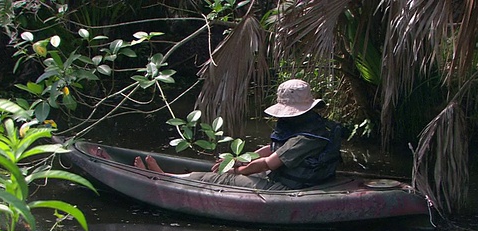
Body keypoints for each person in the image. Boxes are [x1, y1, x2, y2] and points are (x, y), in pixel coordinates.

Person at [135, 79, 342, 190]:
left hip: (293, 186)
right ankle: (173, 176)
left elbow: (268, 163)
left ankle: (165, 178)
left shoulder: (307, 137)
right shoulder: (315, 124)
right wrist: (237, 159)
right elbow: (272, 149)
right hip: (300, 178)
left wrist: (236, 171)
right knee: (226, 170)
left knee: (220, 178)